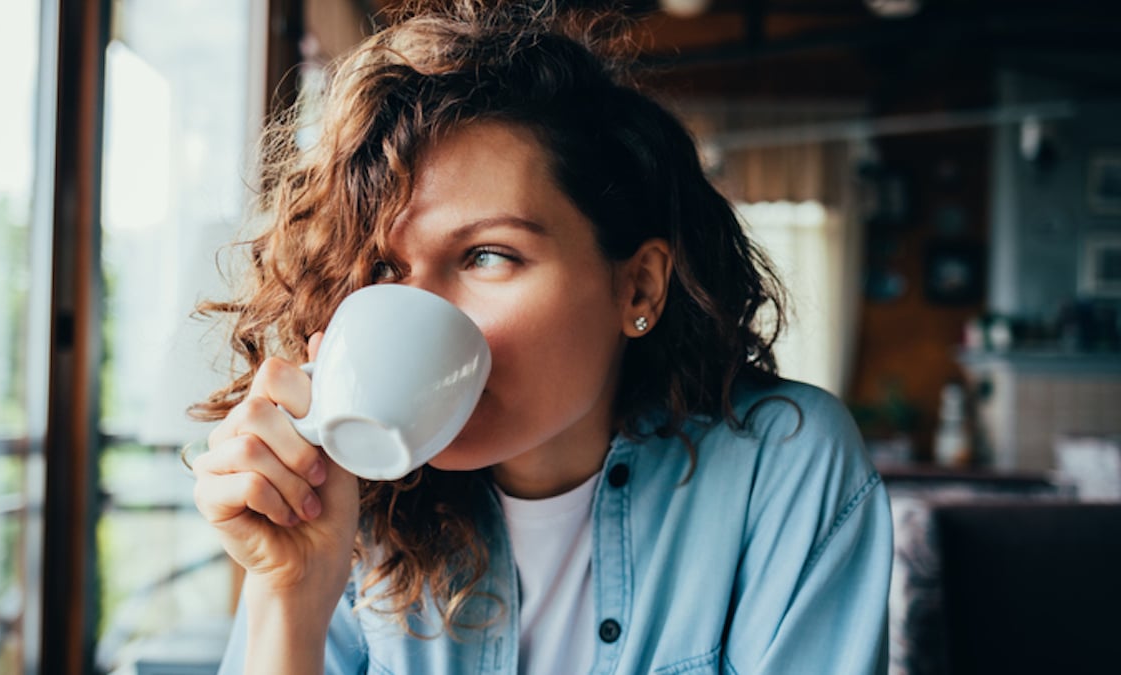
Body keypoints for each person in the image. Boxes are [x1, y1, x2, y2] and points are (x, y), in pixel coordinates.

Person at [189, 2, 893, 673]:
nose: (418, 311)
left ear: (638, 288)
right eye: (383, 268)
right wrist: (289, 600)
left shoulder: (781, 468)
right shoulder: (347, 503)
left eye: (488, 255)